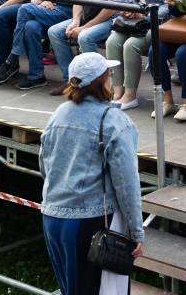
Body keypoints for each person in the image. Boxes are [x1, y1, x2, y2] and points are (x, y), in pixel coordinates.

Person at [40, 53, 144, 295]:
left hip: (51, 216)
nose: (111, 78)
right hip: (89, 223)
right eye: (109, 74)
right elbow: (127, 183)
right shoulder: (115, 121)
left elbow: (45, 165)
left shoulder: (59, 114)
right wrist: (136, 231)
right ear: (101, 80)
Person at [104, 0, 178, 109]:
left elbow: (168, 7)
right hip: (134, 22)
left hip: (154, 23)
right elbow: (130, 0)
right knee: (112, 42)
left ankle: (130, 95)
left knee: (131, 46)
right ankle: (118, 91)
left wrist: (143, 14)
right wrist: (129, 11)